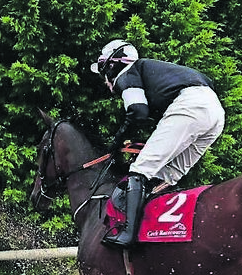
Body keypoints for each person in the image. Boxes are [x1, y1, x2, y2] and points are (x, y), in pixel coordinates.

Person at [91, 39, 225, 248]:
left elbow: (137, 111)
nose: (106, 83)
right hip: (215, 112)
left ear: (111, 65)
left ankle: (128, 235)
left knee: (139, 170)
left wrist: (117, 141)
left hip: (190, 106)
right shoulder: (151, 72)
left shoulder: (126, 74)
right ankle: (164, 231)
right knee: (169, 175)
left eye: (103, 73)